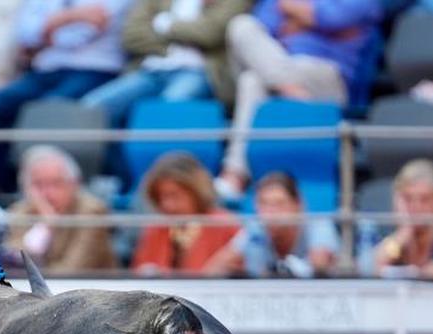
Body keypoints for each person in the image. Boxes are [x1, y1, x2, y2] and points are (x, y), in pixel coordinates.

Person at [213, 1, 383, 201]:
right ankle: (294, 93)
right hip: (284, 64)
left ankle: (235, 175)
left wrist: (294, 11)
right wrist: (311, 20)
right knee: (242, 28)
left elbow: (336, 18)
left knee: (254, 80)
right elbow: (266, 21)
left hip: (328, 75)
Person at [0, 0, 134, 189]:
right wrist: (71, 17)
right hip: (44, 70)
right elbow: (25, 33)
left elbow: (81, 34)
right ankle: (0, 187)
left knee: (49, 110)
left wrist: (47, 28)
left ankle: (41, 188)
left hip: (95, 70)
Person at [81, 0, 250, 126]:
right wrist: (171, 47)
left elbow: (209, 33)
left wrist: (163, 24)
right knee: (90, 109)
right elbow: (132, 35)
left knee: (165, 114)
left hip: (198, 71)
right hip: (151, 69)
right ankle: (119, 171)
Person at [5, 145, 116, 271]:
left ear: (74, 184)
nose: (47, 193)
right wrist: (44, 227)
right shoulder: (20, 211)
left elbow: (72, 270)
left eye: (56, 183)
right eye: (38, 184)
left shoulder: (92, 212)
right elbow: (12, 264)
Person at [206, 170, 338, 276]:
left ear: (298, 204)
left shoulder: (319, 225)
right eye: (264, 204)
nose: (271, 213)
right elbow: (213, 269)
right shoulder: (255, 230)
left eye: (279, 204)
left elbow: (320, 265)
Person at [132, 149, 237, 273]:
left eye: (175, 195)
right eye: (161, 197)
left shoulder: (224, 225)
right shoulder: (155, 229)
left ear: (196, 192)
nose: (167, 205)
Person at [371, 159, 433, 277]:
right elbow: (374, 267)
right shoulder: (385, 234)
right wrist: (403, 234)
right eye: (408, 198)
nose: (416, 207)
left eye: (424, 200)